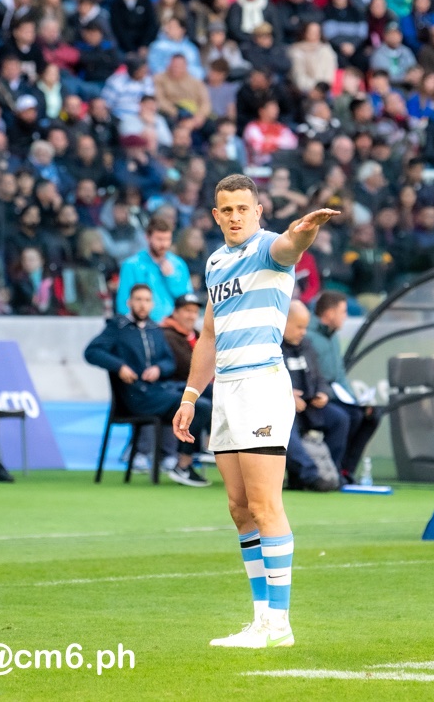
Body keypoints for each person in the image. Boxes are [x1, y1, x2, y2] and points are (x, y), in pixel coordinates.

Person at [173, 174, 337, 648]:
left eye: (243, 208)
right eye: (227, 210)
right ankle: (261, 619)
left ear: (258, 210)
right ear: (216, 215)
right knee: (239, 508)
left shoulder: (268, 248)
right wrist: (189, 397)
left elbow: (291, 246)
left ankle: (279, 624)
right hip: (224, 390)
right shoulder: (216, 261)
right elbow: (208, 334)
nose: (235, 216)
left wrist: (306, 230)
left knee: (266, 505)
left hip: (262, 386)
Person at [85, 283, 212, 487]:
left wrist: (159, 369)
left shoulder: (154, 329)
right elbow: (91, 352)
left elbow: (169, 362)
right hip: (136, 398)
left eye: (146, 300)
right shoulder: (117, 328)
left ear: (152, 304)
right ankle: (183, 464)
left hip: (158, 392)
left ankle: (197, 453)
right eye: (138, 300)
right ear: (129, 302)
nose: (142, 305)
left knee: (206, 394)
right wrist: (119, 366)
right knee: (202, 405)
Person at [306, 290, 381, 483]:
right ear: (329, 313)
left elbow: (339, 375)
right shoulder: (308, 336)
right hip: (314, 399)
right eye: (343, 311)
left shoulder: (333, 338)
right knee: (344, 418)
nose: (345, 317)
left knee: (369, 415)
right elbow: (312, 378)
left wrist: (355, 401)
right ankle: (330, 471)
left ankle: (346, 470)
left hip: (333, 396)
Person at [281, 300, 347, 492]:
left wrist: (322, 394)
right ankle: (310, 475)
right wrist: (287, 396)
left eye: (305, 327)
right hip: (282, 408)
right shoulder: (271, 347)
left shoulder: (307, 345)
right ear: (284, 322)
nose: (303, 332)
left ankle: (332, 472)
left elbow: (319, 377)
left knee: (339, 419)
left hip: (309, 407)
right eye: (299, 327)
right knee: (285, 426)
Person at [115, 217, 192, 322]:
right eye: (159, 239)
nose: (164, 244)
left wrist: (171, 278)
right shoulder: (131, 265)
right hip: (142, 326)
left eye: (167, 239)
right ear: (147, 237)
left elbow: (187, 300)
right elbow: (123, 302)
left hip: (172, 328)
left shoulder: (178, 265)